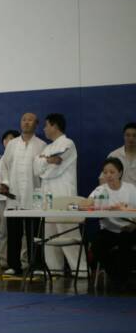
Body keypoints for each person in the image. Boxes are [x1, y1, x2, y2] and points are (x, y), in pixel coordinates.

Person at [34, 113, 86, 276]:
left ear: (54, 126)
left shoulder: (68, 143)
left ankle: (81, 270)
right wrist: (46, 160)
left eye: (46, 125)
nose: (44, 129)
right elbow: (37, 169)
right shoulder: (47, 148)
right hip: (48, 196)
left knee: (68, 231)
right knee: (49, 235)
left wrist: (44, 161)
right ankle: (54, 269)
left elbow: (56, 165)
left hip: (64, 195)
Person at [0, 112, 46, 275]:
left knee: (34, 233)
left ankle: (36, 265)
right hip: (14, 195)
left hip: (34, 194)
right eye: (24, 120)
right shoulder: (12, 144)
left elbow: (45, 170)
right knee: (14, 233)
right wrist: (5, 182)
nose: (26, 123)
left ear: (36, 124)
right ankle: (14, 265)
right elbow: (4, 165)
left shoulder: (42, 145)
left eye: (30, 120)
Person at [90, 158, 136, 291]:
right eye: (105, 172)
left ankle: (121, 280)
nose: (108, 175)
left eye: (112, 172)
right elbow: (88, 203)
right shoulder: (100, 190)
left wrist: (134, 225)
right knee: (96, 246)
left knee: (125, 243)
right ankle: (116, 277)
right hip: (109, 229)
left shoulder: (131, 189)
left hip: (130, 228)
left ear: (120, 173)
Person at [0, 130, 20, 269]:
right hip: (3, 200)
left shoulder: (21, 158)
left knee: (21, 232)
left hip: (19, 200)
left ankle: (22, 260)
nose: (8, 141)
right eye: (5, 139)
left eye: (12, 139)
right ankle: (3, 260)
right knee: (3, 231)